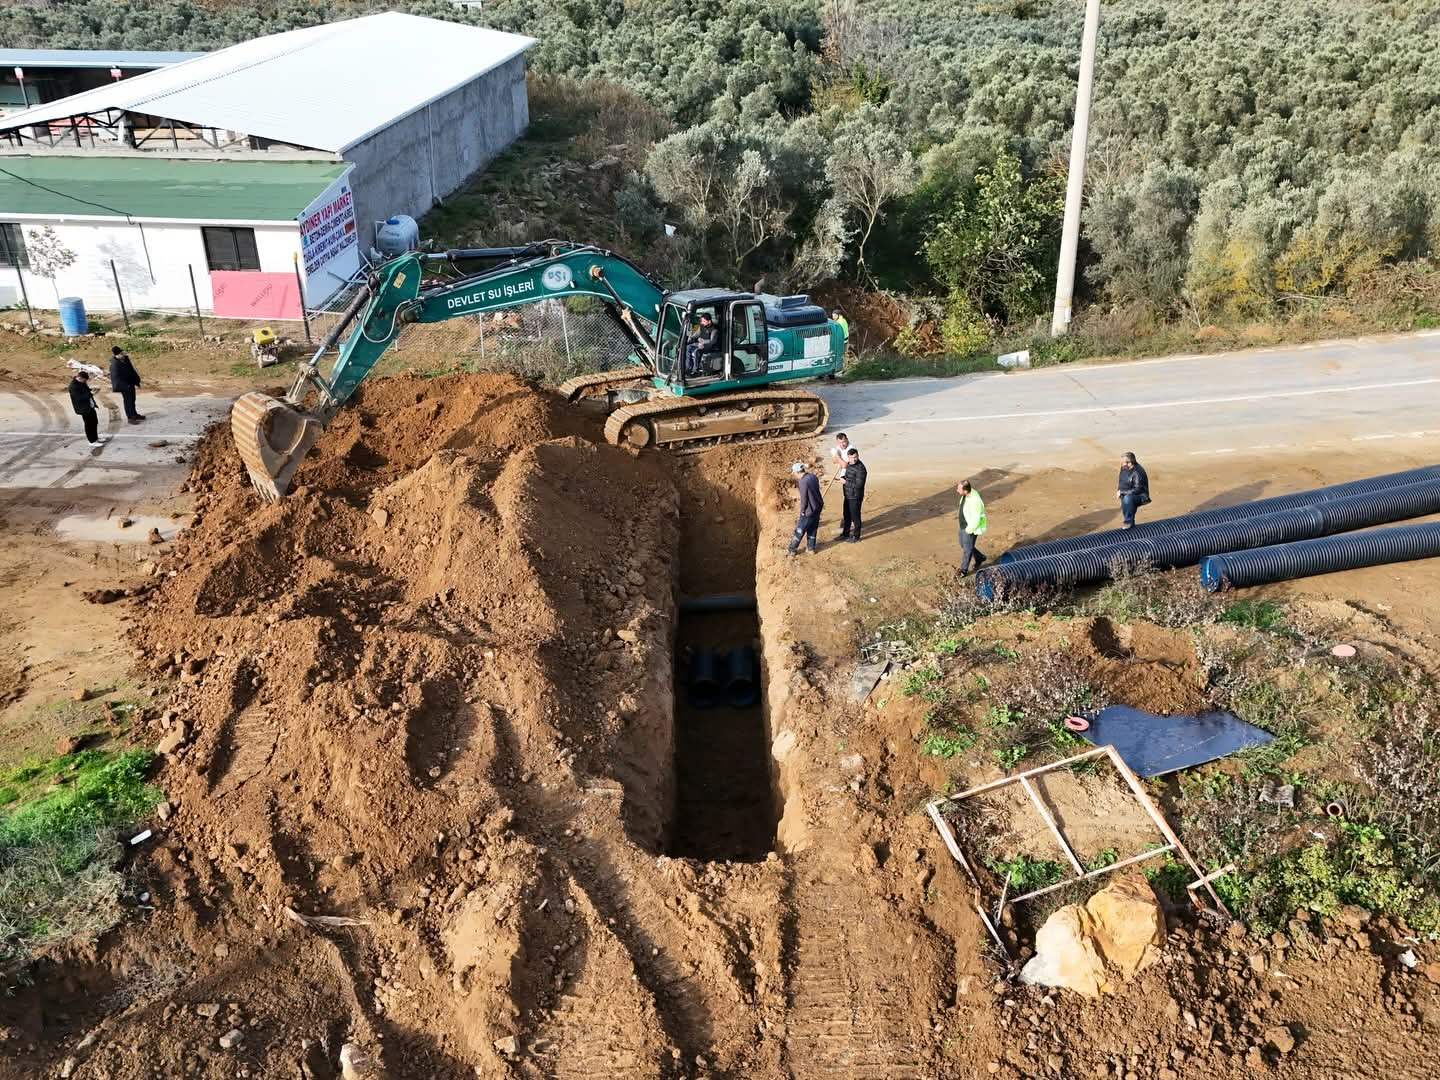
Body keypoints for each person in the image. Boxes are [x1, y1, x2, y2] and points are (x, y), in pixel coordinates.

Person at [787, 462, 823, 554]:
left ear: (797, 472)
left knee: (800, 529)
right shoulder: (813, 477)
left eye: (794, 473)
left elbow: (804, 498)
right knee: (813, 528)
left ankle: (792, 549)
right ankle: (811, 548)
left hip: (809, 510)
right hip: (818, 506)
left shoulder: (803, 481)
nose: (795, 476)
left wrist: (802, 511)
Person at [957, 479, 988, 576]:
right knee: (963, 544)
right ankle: (980, 557)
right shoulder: (966, 495)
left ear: (965, 490)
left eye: (959, 489)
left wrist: (969, 530)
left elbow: (976, 518)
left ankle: (963, 571)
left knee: (967, 550)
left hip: (969, 528)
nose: (957, 490)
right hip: (963, 525)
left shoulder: (975, 501)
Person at [68, 370, 106, 446]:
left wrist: (91, 390)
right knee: (89, 425)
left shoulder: (82, 382)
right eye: (84, 380)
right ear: (80, 378)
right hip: (83, 409)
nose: (85, 382)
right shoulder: (73, 386)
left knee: (94, 422)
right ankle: (91, 441)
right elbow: (78, 398)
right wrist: (90, 394)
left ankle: (95, 437)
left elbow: (86, 391)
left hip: (90, 406)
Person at [108, 345, 144, 423]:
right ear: (116, 355)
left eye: (123, 353)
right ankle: (130, 417)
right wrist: (125, 386)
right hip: (124, 386)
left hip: (130, 383)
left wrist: (136, 380)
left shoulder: (125, 360)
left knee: (132, 400)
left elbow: (132, 370)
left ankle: (134, 414)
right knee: (128, 401)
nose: (123, 355)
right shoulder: (114, 365)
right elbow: (116, 378)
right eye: (121, 354)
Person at [1117, 451, 1151, 529]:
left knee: (1128, 499)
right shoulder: (1124, 468)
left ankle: (1128, 522)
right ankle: (1129, 522)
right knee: (1125, 502)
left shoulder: (1138, 472)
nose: (1121, 464)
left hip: (1140, 495)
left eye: (1123, 462)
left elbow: (1138, 489)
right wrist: (1119, 490)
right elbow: (1121, 480)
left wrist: (1122, 492)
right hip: (1127, 492)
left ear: (1130, 463)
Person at [840, 447, 867, 543]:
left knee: (855, 517)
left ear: (858, 456)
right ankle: (845, 534)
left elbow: (859, 485)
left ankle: (856, 536)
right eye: (852, 457)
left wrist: (845, 482)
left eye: (855, 457)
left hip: (855, 496)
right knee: (846, 515)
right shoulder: (849, 464)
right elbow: (849, 477)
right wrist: (843, 477)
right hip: (847, 495)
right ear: (848, 457)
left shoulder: (861, 469)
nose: (854, 459)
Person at [686, 312, 720, 376]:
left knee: (697, 351)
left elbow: (712, 341)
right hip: (700, 344)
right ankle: (688, 368)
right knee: (688, 347)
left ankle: (695, 370)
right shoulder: (701, 326)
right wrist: (690, 337)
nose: (702, 322)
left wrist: (703, 343)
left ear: (709, 321)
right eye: (701, 321)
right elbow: (697, 334)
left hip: (709, 347)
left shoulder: (714, 330)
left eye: (704, 321)